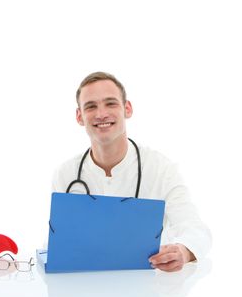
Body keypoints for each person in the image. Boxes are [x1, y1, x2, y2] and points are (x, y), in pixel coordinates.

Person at [52, 72, 212, 272]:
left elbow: (196, 229)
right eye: (91, 106)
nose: (101, 114)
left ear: (127, 109)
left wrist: (183, 251)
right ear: (79, 116)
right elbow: (57, 244)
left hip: (149, 292)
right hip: (85, 290)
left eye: (110, 103)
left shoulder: (160, 169)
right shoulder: (65, 175)